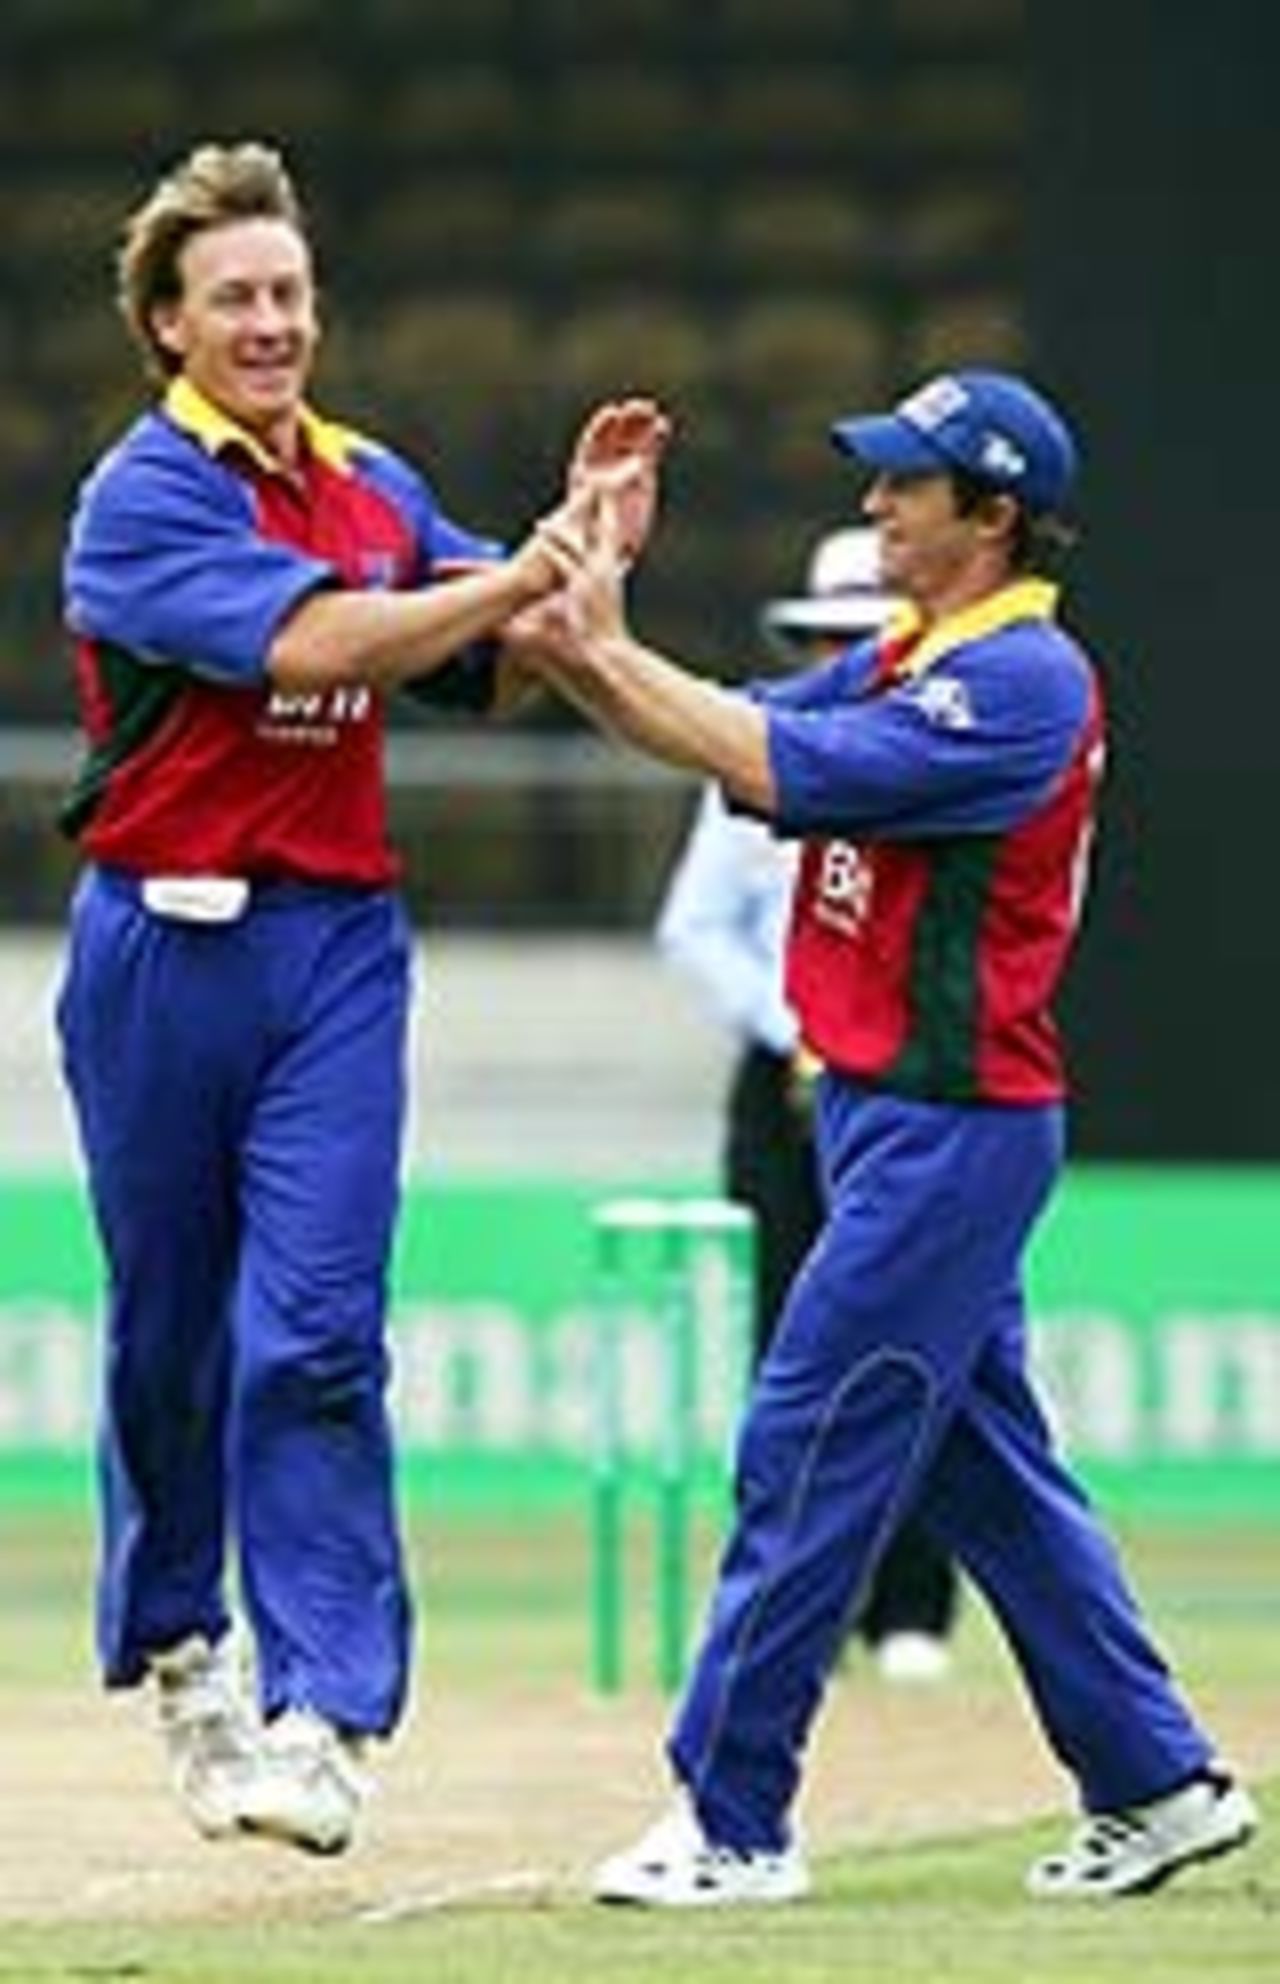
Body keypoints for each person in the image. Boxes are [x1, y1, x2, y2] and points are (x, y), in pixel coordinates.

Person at [526, 368, 1259, 1905]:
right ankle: (1158, 1779)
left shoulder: (1017, 684)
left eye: (906, 486)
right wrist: (588, 592)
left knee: (805, 1439)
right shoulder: (918, 654)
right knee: (982, 1470)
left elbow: (761, 761)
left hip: (947, 1126)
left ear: (991, 517)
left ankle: (733, 1821)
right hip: (894, 1120)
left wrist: (598, 638)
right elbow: (716, 729)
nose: (872, 506)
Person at [53, 139, 666, 1857]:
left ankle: (327, 1708)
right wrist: (522, 572)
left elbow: (508, 646)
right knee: (172, 1330)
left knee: (316, 1327)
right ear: (167, 325)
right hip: (160, 955)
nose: (272, 324)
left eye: (291, 295)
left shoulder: (372, 481)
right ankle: (186, 1644)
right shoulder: (143, 497)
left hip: (331, 950)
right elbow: (326, 646)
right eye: (234, 298)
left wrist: (588, 562)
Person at [655, 526, 958, 1682]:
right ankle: (806, 1612)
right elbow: (693, 925)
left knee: (917, 1341)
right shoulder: (753, 757)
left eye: (861, 636)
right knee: (794, 1345)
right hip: (781, 1086)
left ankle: (912, 1610)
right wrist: (793, 1026)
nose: (841, 659)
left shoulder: (940, 747)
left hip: (903, 1071)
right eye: (824, 639)